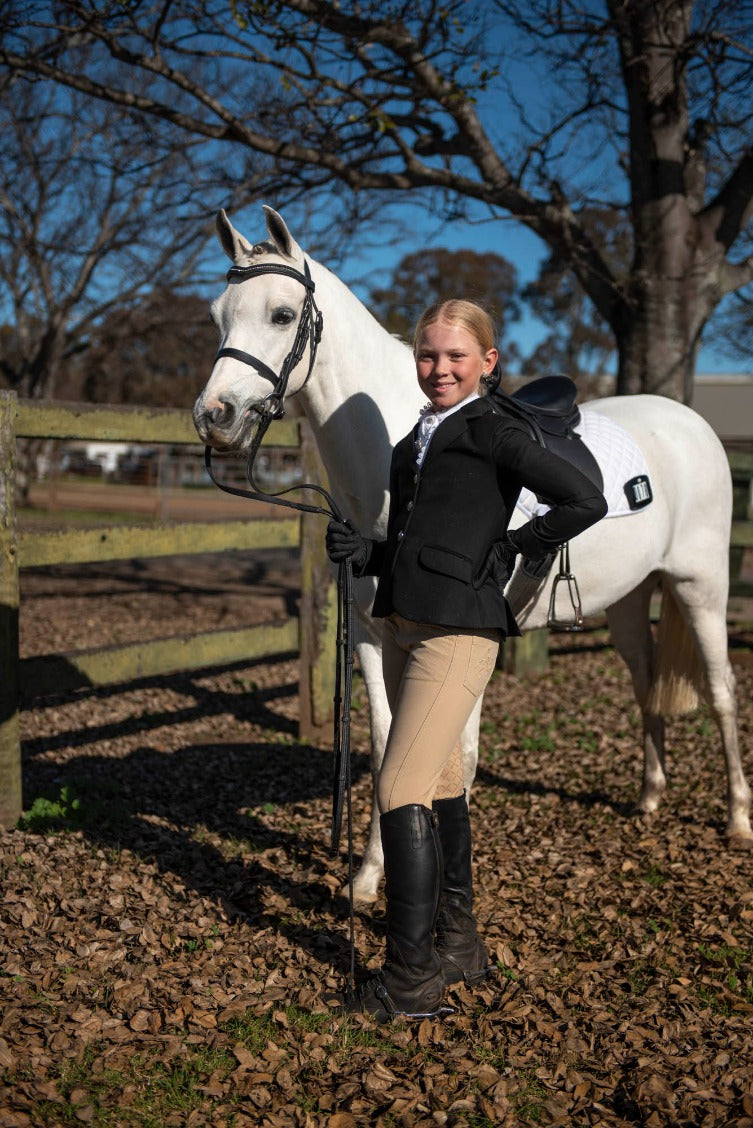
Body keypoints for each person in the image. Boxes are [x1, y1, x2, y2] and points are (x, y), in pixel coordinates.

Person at [326, 299, 607, 1021]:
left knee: (397, 788)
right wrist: (372, 552)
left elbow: (583, 498)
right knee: (442, 780)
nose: (439, 368)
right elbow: (435, 532)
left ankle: (410, 980)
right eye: (427, 355)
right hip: (403, 622)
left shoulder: (492, 429)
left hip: (457, 634)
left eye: (455, 356)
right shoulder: (414, 438)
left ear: (486, 362)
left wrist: (517, 545)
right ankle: (457, 946)